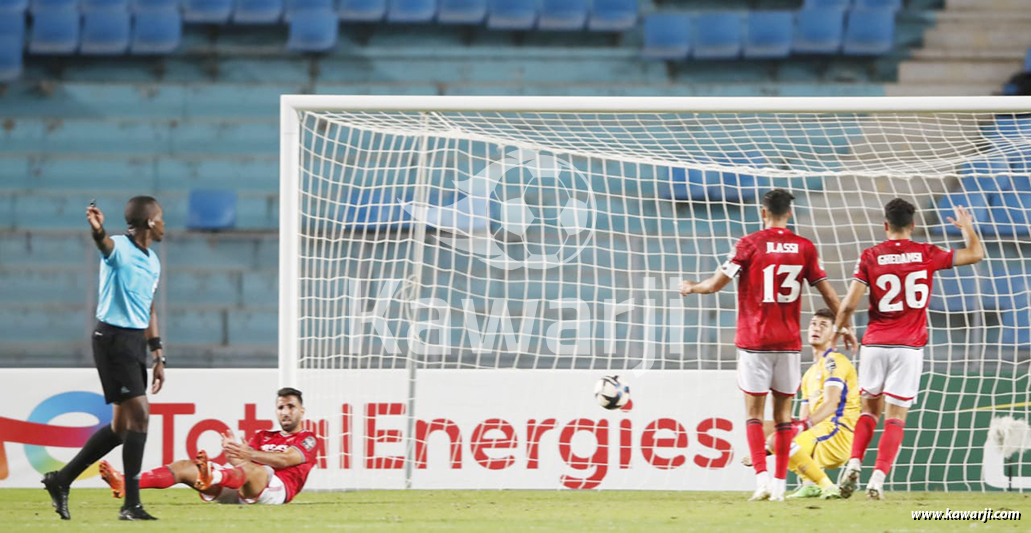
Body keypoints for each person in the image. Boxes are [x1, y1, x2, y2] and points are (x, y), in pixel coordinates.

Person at [680, 189, 855, 502]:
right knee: (785, 417)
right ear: (789, 214)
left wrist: (692, 287)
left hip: (754, 342)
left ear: (763, 212)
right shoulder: (804, 247)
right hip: (787, 344)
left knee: (754, 415)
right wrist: (843, 326)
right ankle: (779, 486)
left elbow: (715, 284)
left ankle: (761, 481)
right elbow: (828, 294)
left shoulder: (749, 244)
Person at [834, 199, 983, 500]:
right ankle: (877, 479)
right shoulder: (926, 253)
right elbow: (976, 254)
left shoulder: (871, 255)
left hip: (875, 343)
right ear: (912, 225)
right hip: (909, 345)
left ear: (885, 225)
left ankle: (853, 463)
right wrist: (967, 229)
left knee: (868, 410)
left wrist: (842, 328)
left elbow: (850, 303)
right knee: (896, 416)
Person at [43, 197, 167, 521]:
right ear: (150, 222)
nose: (165, 222)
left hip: (133, 342)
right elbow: (105, 245)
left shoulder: (153, 261)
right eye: (161, 217)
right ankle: (131, 505)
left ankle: (61, 479)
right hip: (112, 339)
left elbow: (149, 307)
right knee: (140, 414)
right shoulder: (120, 249)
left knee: (121, 427)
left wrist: (158, 354)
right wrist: (98, 231)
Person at [98, 388, 317, 506]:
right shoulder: (263, 435)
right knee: (184, 466)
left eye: (291, 406)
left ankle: (213, 477)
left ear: (302, 411)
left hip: (275, 492)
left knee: (258, 469)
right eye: (281, 407)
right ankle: (126, 483)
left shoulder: (308, 438)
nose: (285, 412)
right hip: (244, 486)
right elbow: (243, 466)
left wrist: (248, 454)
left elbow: (287, 460)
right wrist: (234, 454)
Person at [742, 309, 860, 499]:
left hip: (837, 431)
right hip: (817, 432)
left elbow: (831, 404)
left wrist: (796, 430)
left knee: (778, 439)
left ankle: (828, 486)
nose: (816, 328)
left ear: (834, 333)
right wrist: (766, 450)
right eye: (813, 324)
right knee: (764, 429)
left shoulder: (834, 362)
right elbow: (802, 417)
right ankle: (809, 483)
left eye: (823, 325)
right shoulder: (808, 375)